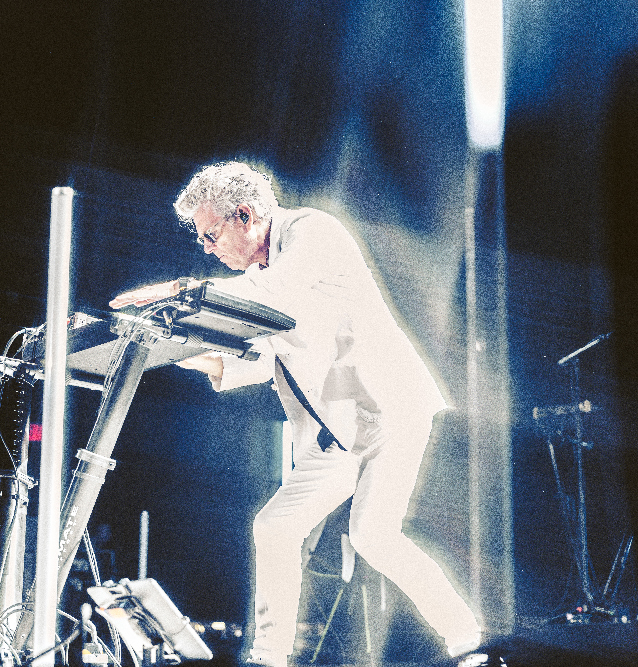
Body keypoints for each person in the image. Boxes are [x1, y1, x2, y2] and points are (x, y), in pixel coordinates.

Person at [108, 161, 481, 666]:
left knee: (373, 535)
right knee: (276, 528)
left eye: (210, 234)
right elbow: (253, 361)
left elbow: (272, 297)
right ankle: (269, 659)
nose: (207, 247)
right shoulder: (261, 277)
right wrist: (160, 345)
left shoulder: (312, 232)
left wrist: (176, 294)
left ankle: (469, 642)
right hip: (341, 431)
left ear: (245, 215)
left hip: (390, 408)